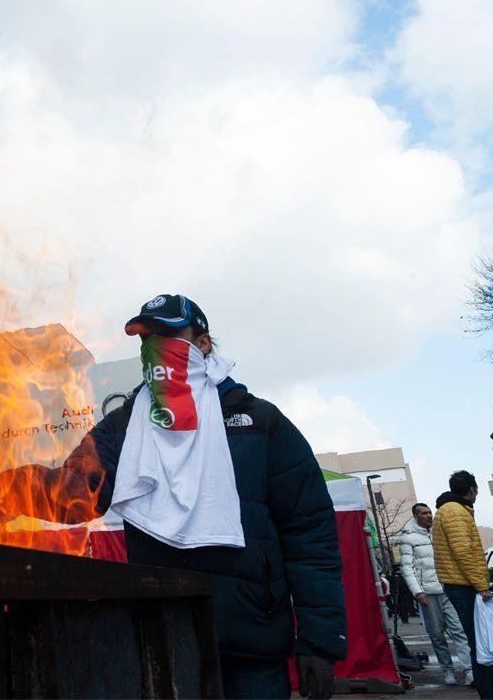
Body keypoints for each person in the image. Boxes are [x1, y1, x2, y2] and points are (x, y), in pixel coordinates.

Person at [54, 294, 346, 699]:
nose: (156, 346)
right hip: (163, 641)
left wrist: (319, 641)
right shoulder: (125, 425)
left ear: (203, 343)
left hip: (252, 646)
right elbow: (71, 490)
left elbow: (309, 535)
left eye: (170, 334)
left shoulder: (259, 422)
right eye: (147, 338)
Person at [434, 470, 493, 698]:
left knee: (481, 641)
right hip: (464, 585)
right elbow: (464, 552)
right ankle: (491, 693)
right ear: (472, 489)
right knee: (482, 643)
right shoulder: (455, 511)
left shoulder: (450, 509)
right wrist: (482, 585)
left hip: (461, 583)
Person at [399, 502, 471, 685]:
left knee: (459, 631)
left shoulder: (440, 532)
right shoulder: (408, 538)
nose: (429, 515)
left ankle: (469, 670)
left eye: (430, 512)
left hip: (448, 588)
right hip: (428, 593)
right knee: (437, 634)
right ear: (416, 517)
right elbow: (407, 568)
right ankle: (448, 671)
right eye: (424, 513)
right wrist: (418, 591)